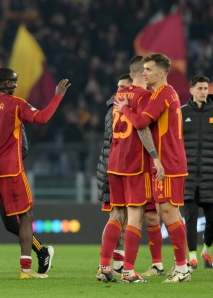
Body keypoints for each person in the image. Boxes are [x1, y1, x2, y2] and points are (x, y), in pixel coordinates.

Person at [0, 67, 70, 280]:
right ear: (6, 83)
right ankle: (25, 270)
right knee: (25, 216)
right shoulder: (16, 104)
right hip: (10, 169)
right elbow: (41, 118)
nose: (16, 84)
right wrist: (58, 96)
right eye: (14, 81)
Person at [115, 53, 190, 283]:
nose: (144, 73)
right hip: (164, 161)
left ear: (161, 73)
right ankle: (175, 266)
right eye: (143, 69)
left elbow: (140, 123)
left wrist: (125, 108)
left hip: (168, 162)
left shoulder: (164, 93)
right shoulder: (159, 94)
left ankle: (182, 267)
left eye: (148, 69)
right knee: (163, 212)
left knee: (167, 211)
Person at [98, 55, 165, 283]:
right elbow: (143, 128)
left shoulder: (119, 95)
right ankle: (128, 270)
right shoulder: (145, 95)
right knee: (136, 216)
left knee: (116, 214)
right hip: (134, 164)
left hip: (114, 163)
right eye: (146, 70)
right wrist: (155, 157)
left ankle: (104, 267)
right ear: (142, 72)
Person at [0, 90, 54, 276]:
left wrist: (4, 163)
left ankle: (42, 251)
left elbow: (23, 150)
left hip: (7, 176)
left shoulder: (14, 122)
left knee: (12, 224)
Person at [96, 74, 132, 277]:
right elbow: (116, 137)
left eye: (125, 87)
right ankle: (105, 265)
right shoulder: (115, 109)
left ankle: (115, 263)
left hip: (117, 168)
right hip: (114, 169)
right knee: (117, 217)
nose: (121, 91)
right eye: (119, 87)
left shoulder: (120, 107)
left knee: (122, 219)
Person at [181, 75, 213, 269]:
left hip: (211, 176)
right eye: (199, 88)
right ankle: (191, 257)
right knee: (190, 219)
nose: (203, 91)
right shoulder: (181, 113)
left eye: (205, 88)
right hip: (188, 176)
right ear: (191, 90)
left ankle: (206, 250)